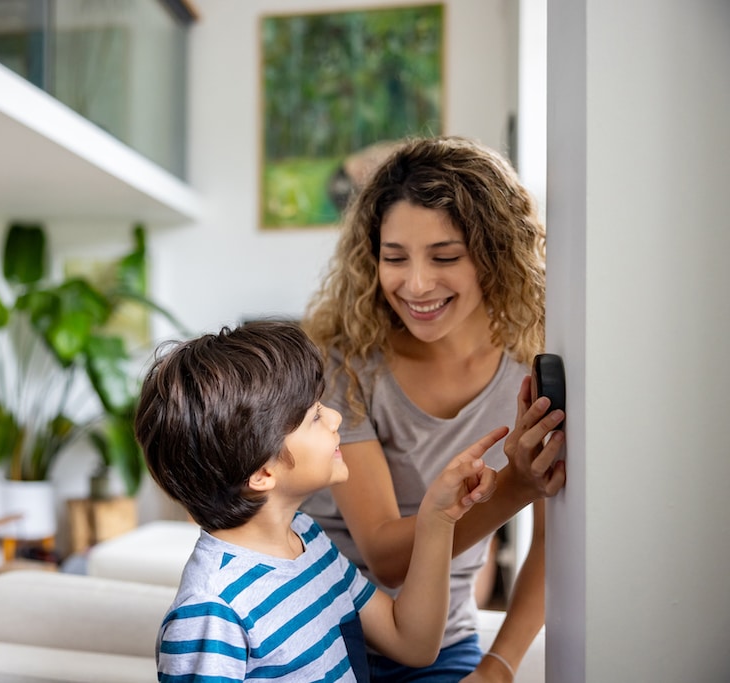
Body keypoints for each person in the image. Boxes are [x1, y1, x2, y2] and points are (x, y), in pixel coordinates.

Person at [300, 135, 567, 682]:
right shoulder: (345, 364)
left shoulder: (534, 366)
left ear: (495, 256)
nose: (416, 285)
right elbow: (387, 557)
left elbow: (553, 540)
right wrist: (516, 484)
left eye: (445, 257)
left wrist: (499, 666)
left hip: (442, 643)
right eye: (393, 258)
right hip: (319, 635)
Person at [134, 320, 509, 682]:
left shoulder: (306, 538)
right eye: (314, 416)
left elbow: (412, 644)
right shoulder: (211, 611)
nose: (335, 416)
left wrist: (438, 518)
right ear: (263, 473)